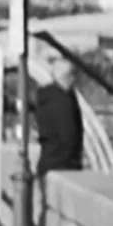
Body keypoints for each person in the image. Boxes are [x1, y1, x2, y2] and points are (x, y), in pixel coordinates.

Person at [31, 55, 86, 184]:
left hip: (46, 164)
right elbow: (69, 137)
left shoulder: (46, 97)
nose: (74, 80)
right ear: (68, 77)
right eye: (73, 75)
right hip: (64, 169)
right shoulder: (64, 102)